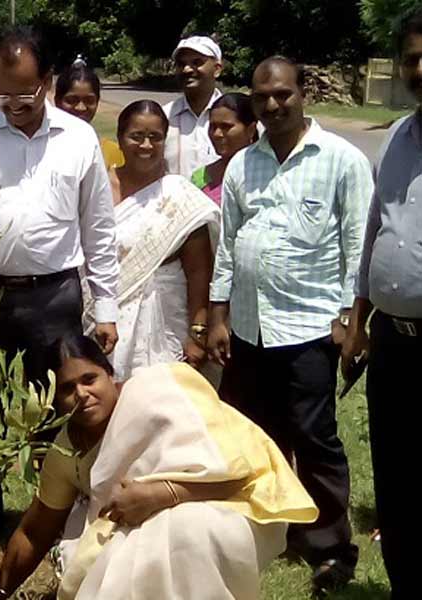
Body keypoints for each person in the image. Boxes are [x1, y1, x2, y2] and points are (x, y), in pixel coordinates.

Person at [0, 26, 119, 537]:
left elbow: (98, 226)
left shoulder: (78, 138)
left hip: (56, 296)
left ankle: (61, 521)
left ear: (48, 82)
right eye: (3, 93)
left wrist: (106, 307)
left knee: (62, 410)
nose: (14, 104)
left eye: (25, 93)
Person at [207, 56, 372, 593]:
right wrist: (218, 315)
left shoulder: (342, 160)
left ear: (303, 93)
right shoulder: (243, 164)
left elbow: (357, 248)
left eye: (283, 94)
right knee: (255, 437)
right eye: (262, 97)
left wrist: (352, 320)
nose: (273, 105)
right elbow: (228, 247)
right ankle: (266, 532)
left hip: (309, 328)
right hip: (251, 330)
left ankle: (328, 546)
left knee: (314, 437)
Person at [0, 335, 317, 600]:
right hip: (131, 523)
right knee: (118, 561)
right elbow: (36, 530)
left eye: (89, 379)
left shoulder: (156, 396)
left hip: (229, 504)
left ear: (110, 375)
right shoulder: (66, 449)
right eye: (67, 389)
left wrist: (161, 494)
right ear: (54, 400)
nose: (82, 394)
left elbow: (238, 476)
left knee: (190, 530)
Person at [341, 7, 422, 597]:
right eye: (412, 58)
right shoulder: (397, 134)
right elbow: (376, 226)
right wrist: (359, 314)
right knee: (397, 482)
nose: (420, 68)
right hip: (392, 339)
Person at [87, 100, 218, 382]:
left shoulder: (179, 195)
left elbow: (199, 271)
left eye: (155, 137)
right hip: (103, 316)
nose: (146, 145)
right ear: (120, 139)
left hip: (165, 317)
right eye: (136, 136)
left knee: (161, 402)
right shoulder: (97, 189)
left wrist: (197, 332)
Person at [162, 35, 223, 176]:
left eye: (197, 62)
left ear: (217, 69)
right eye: (181, 64)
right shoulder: (164, 117)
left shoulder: (238, 116)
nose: (187, 70)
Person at [53, 59, 124, 168]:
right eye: (72, 100)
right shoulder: (42, 149)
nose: (80, 108)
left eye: (89, 101)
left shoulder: (111, 152)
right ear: (57, 101)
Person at [191, 92, 258, 205]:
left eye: (226, 127)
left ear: (251, 130)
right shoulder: (201, 177)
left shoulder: (265, 173)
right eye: (213, 127)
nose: (217, 134)